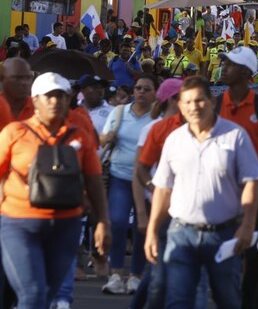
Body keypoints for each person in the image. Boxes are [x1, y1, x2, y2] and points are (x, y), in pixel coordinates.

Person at [145, 76, 258, 308]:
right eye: (187, 102)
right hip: (181, 233)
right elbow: (162, 188)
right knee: (178, 300)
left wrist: (248, 225)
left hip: (224, 234)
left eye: (199, 100)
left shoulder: (236, 136)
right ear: (179, 105)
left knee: (227, 299)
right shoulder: (174, 140)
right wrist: (151, 230)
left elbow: (250, 183)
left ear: (211, 101)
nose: (194, 107)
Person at [0, 72, 110, 308]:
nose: (55, 102)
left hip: (65, 225)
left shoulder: (79, 135)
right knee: (32, 295)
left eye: (60, 96)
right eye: (48, 96)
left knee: (49, 295)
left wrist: (102, 222)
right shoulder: (13, 133)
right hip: (19, 225)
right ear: (35, 100)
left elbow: (93, 181)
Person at [215, 46, 258, 308]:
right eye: (225, 62)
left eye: (230, 64)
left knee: (253, 255)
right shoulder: (215, 105)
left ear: (246, 73)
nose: (224, 67)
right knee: (224, 251)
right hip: (224, 190)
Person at [132, 78, 187, 309]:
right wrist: (143, 215)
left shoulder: (192, 128)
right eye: (182, 97)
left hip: (187, 209)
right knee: (158, 274)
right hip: (161, 209)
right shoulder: (151, 129)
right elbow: (139, 172)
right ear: (172, 100)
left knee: (167, 271)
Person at [100, 74, 157, 294]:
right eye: (138, 88)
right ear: (133, 92)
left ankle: (135, 276)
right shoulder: (119, 112)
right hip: (120, 176)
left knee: (143, 227)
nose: (141, 91)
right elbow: (102, 137)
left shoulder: (157, 117)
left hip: (148, 181)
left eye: (147, 88)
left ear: (155, 93)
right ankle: (116, 275)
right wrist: (108, 138)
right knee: (118, 222)